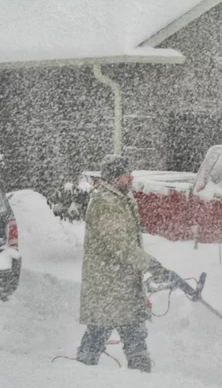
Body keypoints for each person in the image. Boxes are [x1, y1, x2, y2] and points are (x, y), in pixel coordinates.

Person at [76, 155, 171, 372]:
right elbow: (120, 246)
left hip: (121, 283)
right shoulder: (106, 204)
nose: (132, 178)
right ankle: (82, 375)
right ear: (115, 177)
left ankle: (139, 375)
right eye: (127, 175)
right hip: (108, 285)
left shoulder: (121, 199)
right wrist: (151, 265)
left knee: (129, 332)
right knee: (101, 332)